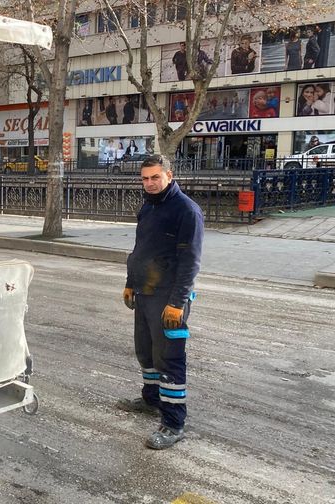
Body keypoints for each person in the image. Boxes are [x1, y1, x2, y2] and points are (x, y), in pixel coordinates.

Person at [117, 155, 204, 450]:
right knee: (146, 353)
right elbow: (140, 249)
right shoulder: (149, 206)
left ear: (169, 175)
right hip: (144, 293)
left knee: (169, 359)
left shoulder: (186, 210)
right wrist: (131, 283)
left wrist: (178, 303)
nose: (150, 183)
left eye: (155, 177)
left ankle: (173, 422)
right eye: (145, 178)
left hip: (169, 298)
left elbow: (190, 262)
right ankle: (151, 400)